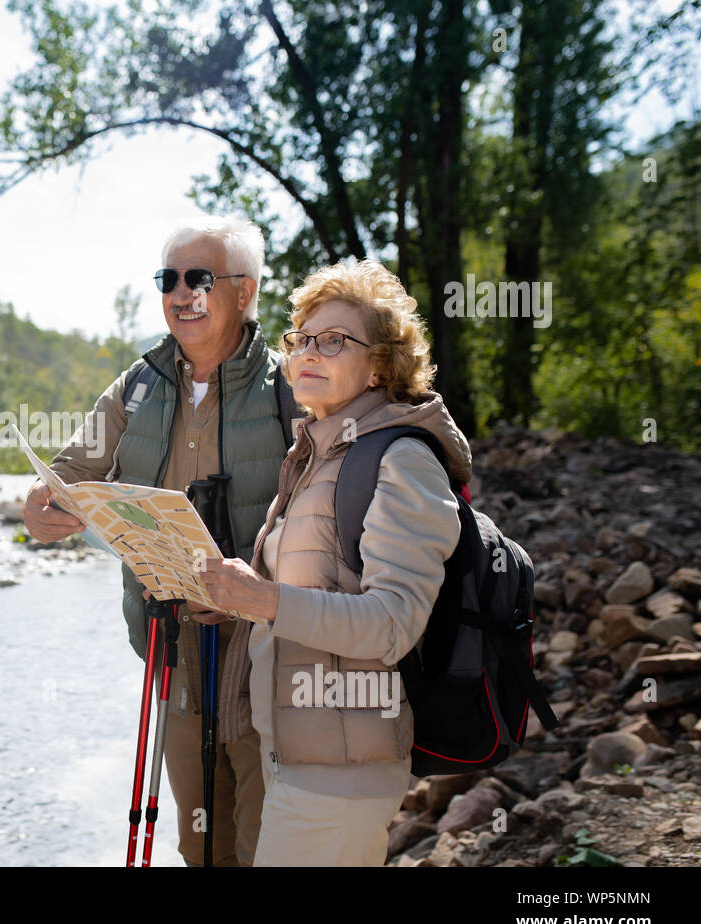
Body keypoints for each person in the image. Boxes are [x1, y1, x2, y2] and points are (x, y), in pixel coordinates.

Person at [23, 215, 294, 866]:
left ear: (245, 292)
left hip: (272, 663)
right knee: (199, 845)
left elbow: (335, 522)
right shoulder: (135, 387)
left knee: (268, 846)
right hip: (171, 656)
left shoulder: (294, 390)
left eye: (198, 278)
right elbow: (69, 473)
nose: (180, 293)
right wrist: (42, 508)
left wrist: (253, 588)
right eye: (167, 279)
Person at [198, 257, 472, 866]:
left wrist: (264, 600)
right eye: (301, 340)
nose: (307, 353)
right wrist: (232, 600)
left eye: (334, 340)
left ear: (380, 363)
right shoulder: (318, 455)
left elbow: (393, 623)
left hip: (342, 772)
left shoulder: (401, 459)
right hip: (295, 754)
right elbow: (302, 601)